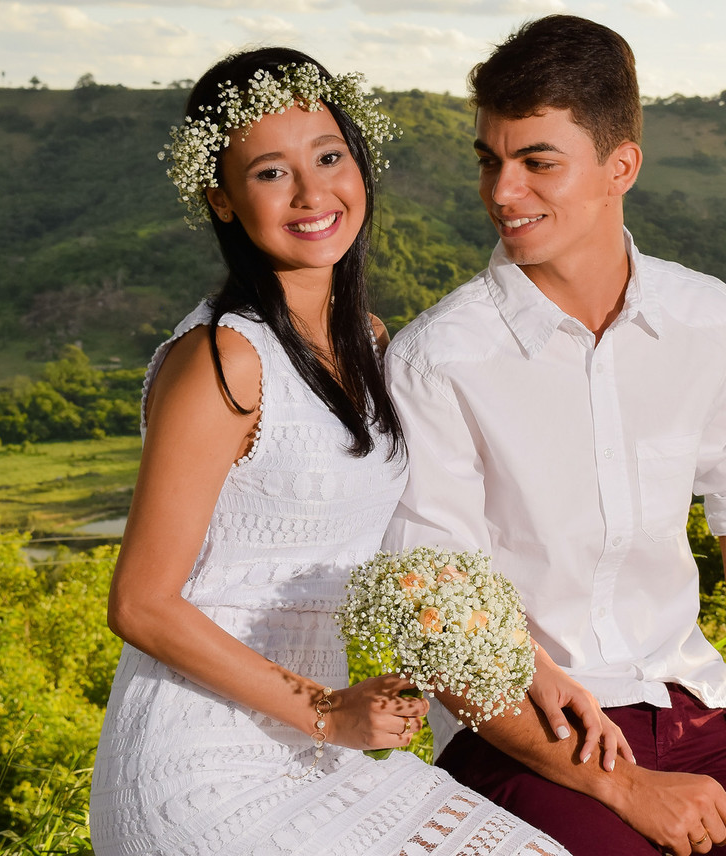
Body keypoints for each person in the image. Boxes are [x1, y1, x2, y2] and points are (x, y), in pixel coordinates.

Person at [385, 15, 726, 856]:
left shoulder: (707, 317)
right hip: (528, 735)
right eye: (490, 160)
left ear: (622, 167)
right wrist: (624, 786)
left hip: (698, 709)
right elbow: (437, 617)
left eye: (538, 161)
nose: (503, 191)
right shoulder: (439, 359)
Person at [89, 46, 612, 856]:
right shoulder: (225, 358)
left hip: (331, 753)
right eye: (270, 173)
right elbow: (142, 604)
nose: (311, 193)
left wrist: (520, 658)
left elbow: (413, 546)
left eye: (329, 157)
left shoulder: (367, 341)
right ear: (222, 201)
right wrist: (327, 711)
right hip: (204, 768)